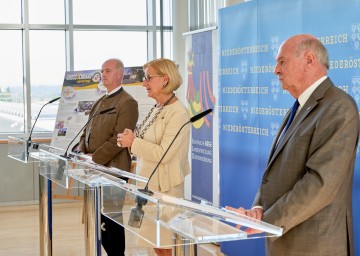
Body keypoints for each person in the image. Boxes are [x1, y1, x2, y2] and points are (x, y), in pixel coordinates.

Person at [226, 34, 359, 256]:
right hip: (285, 239)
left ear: (309, 60)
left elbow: (320, 183)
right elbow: (277, 172)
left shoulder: (339, 107)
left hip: (315, 246)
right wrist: (258, 209)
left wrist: (266, 221)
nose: (276, 70)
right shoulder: (299, 107)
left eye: (282, 62)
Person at [117, 58, 190, 256]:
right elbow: (143, 143)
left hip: (165, 188)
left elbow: (163, 154)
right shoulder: (157, 108)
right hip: (147, 184)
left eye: (148, 78)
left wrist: (133, 143)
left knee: (166, 245)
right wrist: (128, 139)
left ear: (165, 79)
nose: (144, 83)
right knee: (155, 243)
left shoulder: (179, 113)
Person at [78, 58, 139, 256]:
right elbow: (86, 131)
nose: (103, 74)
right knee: (99, 220)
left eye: (108, 71)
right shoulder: (99, 102)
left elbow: (119, 139)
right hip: (95, 169)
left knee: (112, 219)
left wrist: (94, 157)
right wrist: (81, 152)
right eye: (102, 71)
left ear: (120, 75)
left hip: (113, 169)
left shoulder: (128, 102)